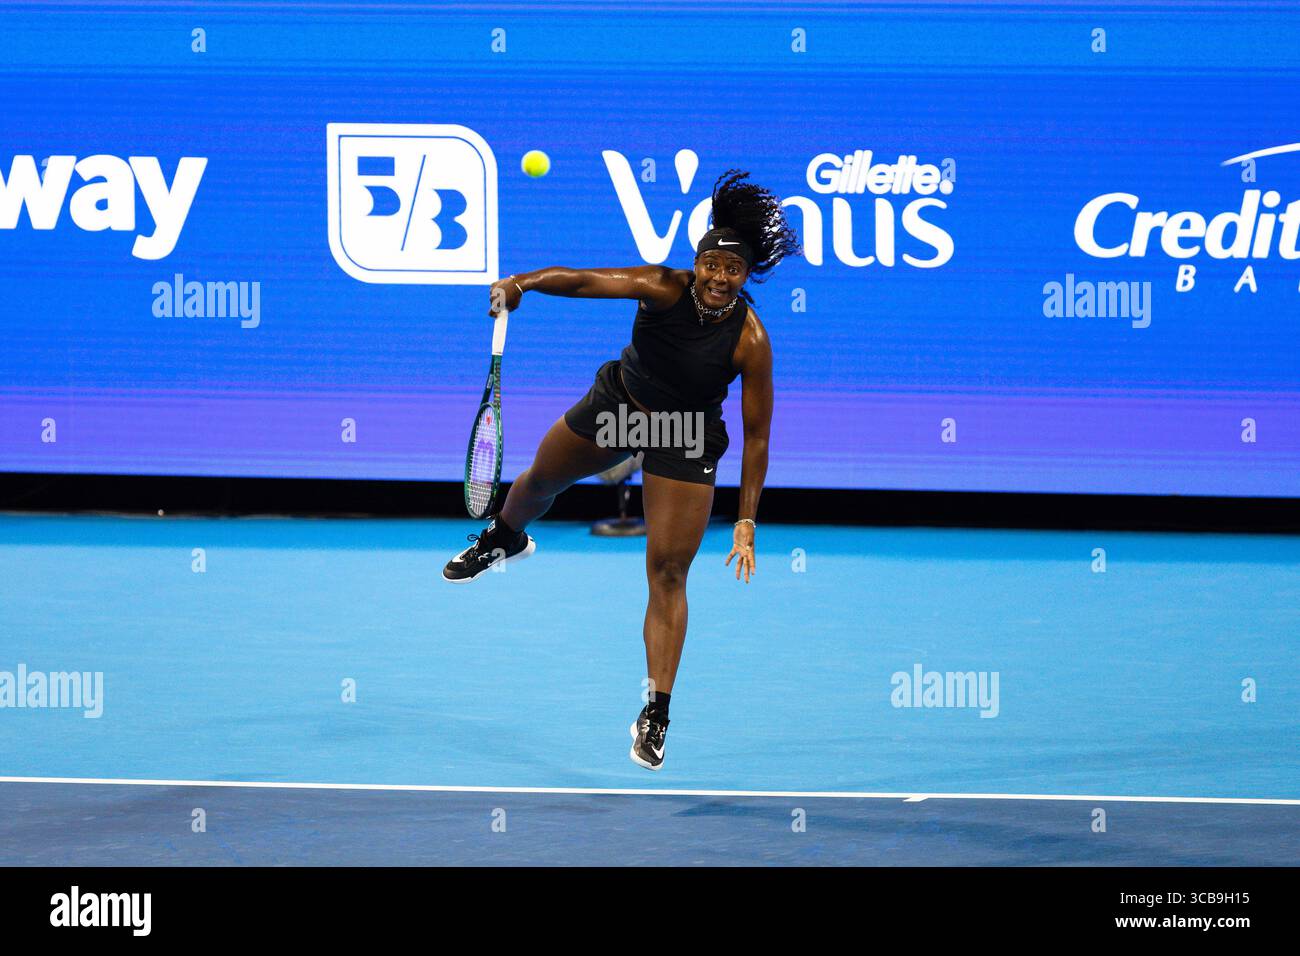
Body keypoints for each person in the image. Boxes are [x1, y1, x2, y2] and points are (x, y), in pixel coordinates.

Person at [443, 170, 800, 770]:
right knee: (539, 482)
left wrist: (746, 522)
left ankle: (655, 712)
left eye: (731, 270)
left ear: (744, 277)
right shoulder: (661, 287)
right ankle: (506, 537)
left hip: (685, 437)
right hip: (622, 408)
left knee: (666, 572)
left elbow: (758, 435)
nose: (718, 277)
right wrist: (522, 284)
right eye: (711, 264)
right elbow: (585, 281)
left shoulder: (751, 341)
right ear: (698, 263)